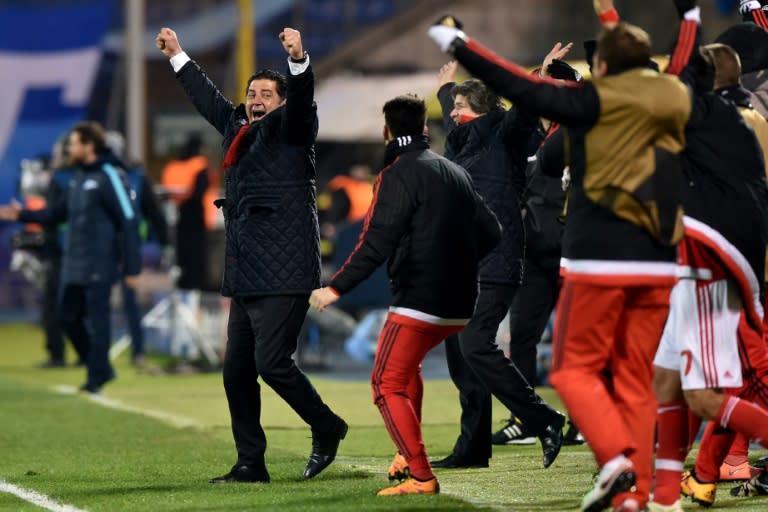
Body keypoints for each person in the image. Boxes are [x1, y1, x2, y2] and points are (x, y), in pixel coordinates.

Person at [428, 5, 693, 510]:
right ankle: (645, 493)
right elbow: (681, 61)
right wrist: (691, 14)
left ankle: (611, 457)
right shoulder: (671, 96)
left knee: (572, 370)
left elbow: (527, 106)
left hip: (599, 253)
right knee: (637, 378)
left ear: (605, 70)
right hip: (660, 254)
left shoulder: (592, 103)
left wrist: (459, 45)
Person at [155, 26, 347, 483]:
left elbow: (303, 103)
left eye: (266, 92)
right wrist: (179, 54)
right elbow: (208, 99)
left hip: (287, 269)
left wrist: (298, 61)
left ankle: (327, 426)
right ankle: (250, 462)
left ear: (280, 101)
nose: (256, 98)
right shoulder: (237, 128)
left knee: (272, 363)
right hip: (245, 269)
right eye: (251, 92)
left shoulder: (294, 128)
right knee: (236, 372)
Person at [309, 94, 502, 496]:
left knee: (384, 381)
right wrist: (459, 264)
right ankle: (405, 452)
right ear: (425, 130)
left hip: (421, 297)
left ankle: (420, 474)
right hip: (462, 300)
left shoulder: (397, 175)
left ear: (386, 132)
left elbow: (375, 241)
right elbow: (493, 233)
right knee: (407, 369)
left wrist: (336, 287)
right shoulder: (454, 171)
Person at [430, 57, 565, 469]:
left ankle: (544, 419)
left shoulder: (505, 136)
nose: (452, 115)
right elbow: (456, 120)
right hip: (460, 264)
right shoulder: (463, 142)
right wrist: (446, 88)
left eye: (460, 107)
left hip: (495, 260)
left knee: (475, 345)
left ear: (485, 110)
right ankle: (472, 448)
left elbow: (523, 109)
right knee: (461, 360)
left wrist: (537, 76)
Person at [0, 121, 141, 394]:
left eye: (74, 144)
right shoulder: (76, 177)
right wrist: (22, 215)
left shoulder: (110, 174)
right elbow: (55, 214)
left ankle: (96, 376)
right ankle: (98, 364)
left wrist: (132, 267)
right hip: (74, 262)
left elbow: (129, 220)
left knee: (99, 321)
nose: (69, 149)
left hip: (100, 262)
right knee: (66, 317)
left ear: (89, 146)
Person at [104, 130, 169, 366]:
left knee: (129, 301)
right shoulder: (105, 175)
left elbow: (154, 212)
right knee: (100, 299)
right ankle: (100, 352)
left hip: (129, 247)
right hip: (106, 246)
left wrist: (165, 244)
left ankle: (138, 351)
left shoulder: (136, 176)